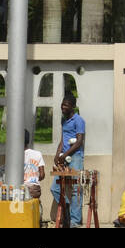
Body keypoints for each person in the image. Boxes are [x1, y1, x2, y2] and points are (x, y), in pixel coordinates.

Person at [51, 93, 86, 227]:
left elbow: (79, 142)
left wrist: (64, 155)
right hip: (65, 157)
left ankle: (75, 222)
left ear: (73, 106)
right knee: (55, 188)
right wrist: (57, 154)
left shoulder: (79, 120)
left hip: (75, 157)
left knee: (76, 189)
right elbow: (63, 139)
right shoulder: (63, 120)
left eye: (66, 105)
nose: (63, 107)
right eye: (62, 104)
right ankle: (67, 210)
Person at [23, 131, 45, 201]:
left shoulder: (16, 155)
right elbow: (42, 175)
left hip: (22, 190)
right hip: (35, 190)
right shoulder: (38, 154)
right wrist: (34, 179)